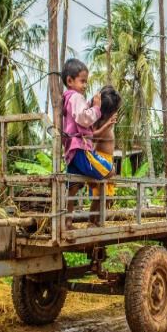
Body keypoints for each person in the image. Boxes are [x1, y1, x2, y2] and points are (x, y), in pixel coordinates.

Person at [60, 58, 113, 227]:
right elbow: (83, 118)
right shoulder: (76, 97)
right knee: (110, 172)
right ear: (70, 81)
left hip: (72, 151)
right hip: (81, 149)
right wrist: (96, 108)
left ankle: (67, 221)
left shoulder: (66, 98)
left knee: (72, 188)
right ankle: (95, 219)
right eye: (82, 81)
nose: (85, 86)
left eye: (86, 82)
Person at [88, 85, 121, 223]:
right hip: (100, 159)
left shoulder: (107, 119)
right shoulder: (98, 120)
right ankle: (93, 221)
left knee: (108, 198)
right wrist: (107, 124)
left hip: (107, 159)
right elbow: (92, 138)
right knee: (99, 197)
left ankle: (96, 221)